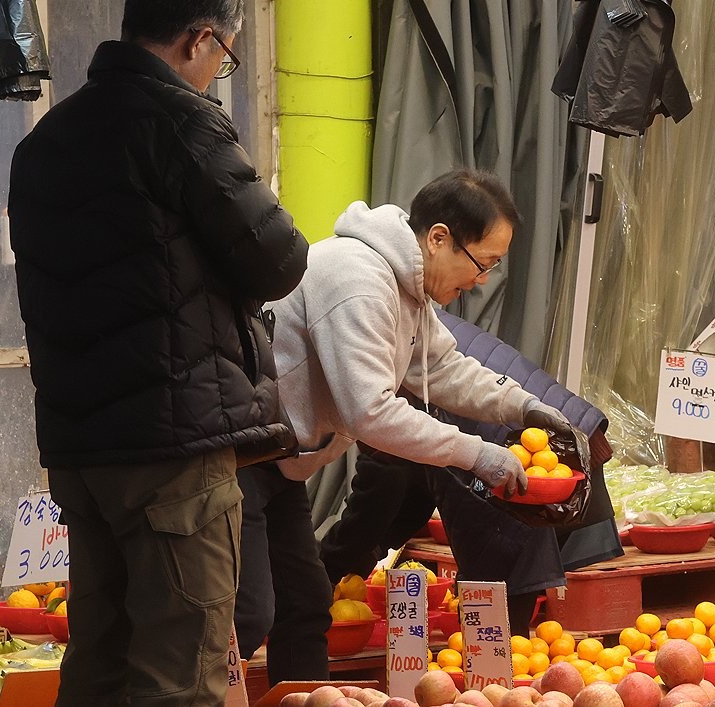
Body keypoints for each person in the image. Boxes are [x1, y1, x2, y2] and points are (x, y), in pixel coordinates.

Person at [7, 0, 308, 707]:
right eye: (225, 56)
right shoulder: (182, 123)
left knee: (99, 665)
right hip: (172, 450)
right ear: (200, 39)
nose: (218, 73)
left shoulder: (45, 142)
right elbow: (279, 258)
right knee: (182, 673)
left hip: (82, 451)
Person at [234, 169, 572, 685]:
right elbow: (369, 412)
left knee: (304, 603)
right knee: (246, 612)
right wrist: (477, 453)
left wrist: (521, 405)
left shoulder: (407, 286)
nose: (482, 280)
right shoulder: (358, 280)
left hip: (283, 460)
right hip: (243, 457)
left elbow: (443, 367)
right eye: (483, 263)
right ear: (438, 238)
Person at [317, 307, 622, 636]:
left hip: (532, 455)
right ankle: (508, 656)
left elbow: (383, 485)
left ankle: (501, 659)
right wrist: (358, 558)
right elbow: (410, 484)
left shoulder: (363, 352)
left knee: (500, 580)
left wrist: (329, 567)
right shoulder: (394, 316)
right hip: (557, 443)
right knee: (508, 585)